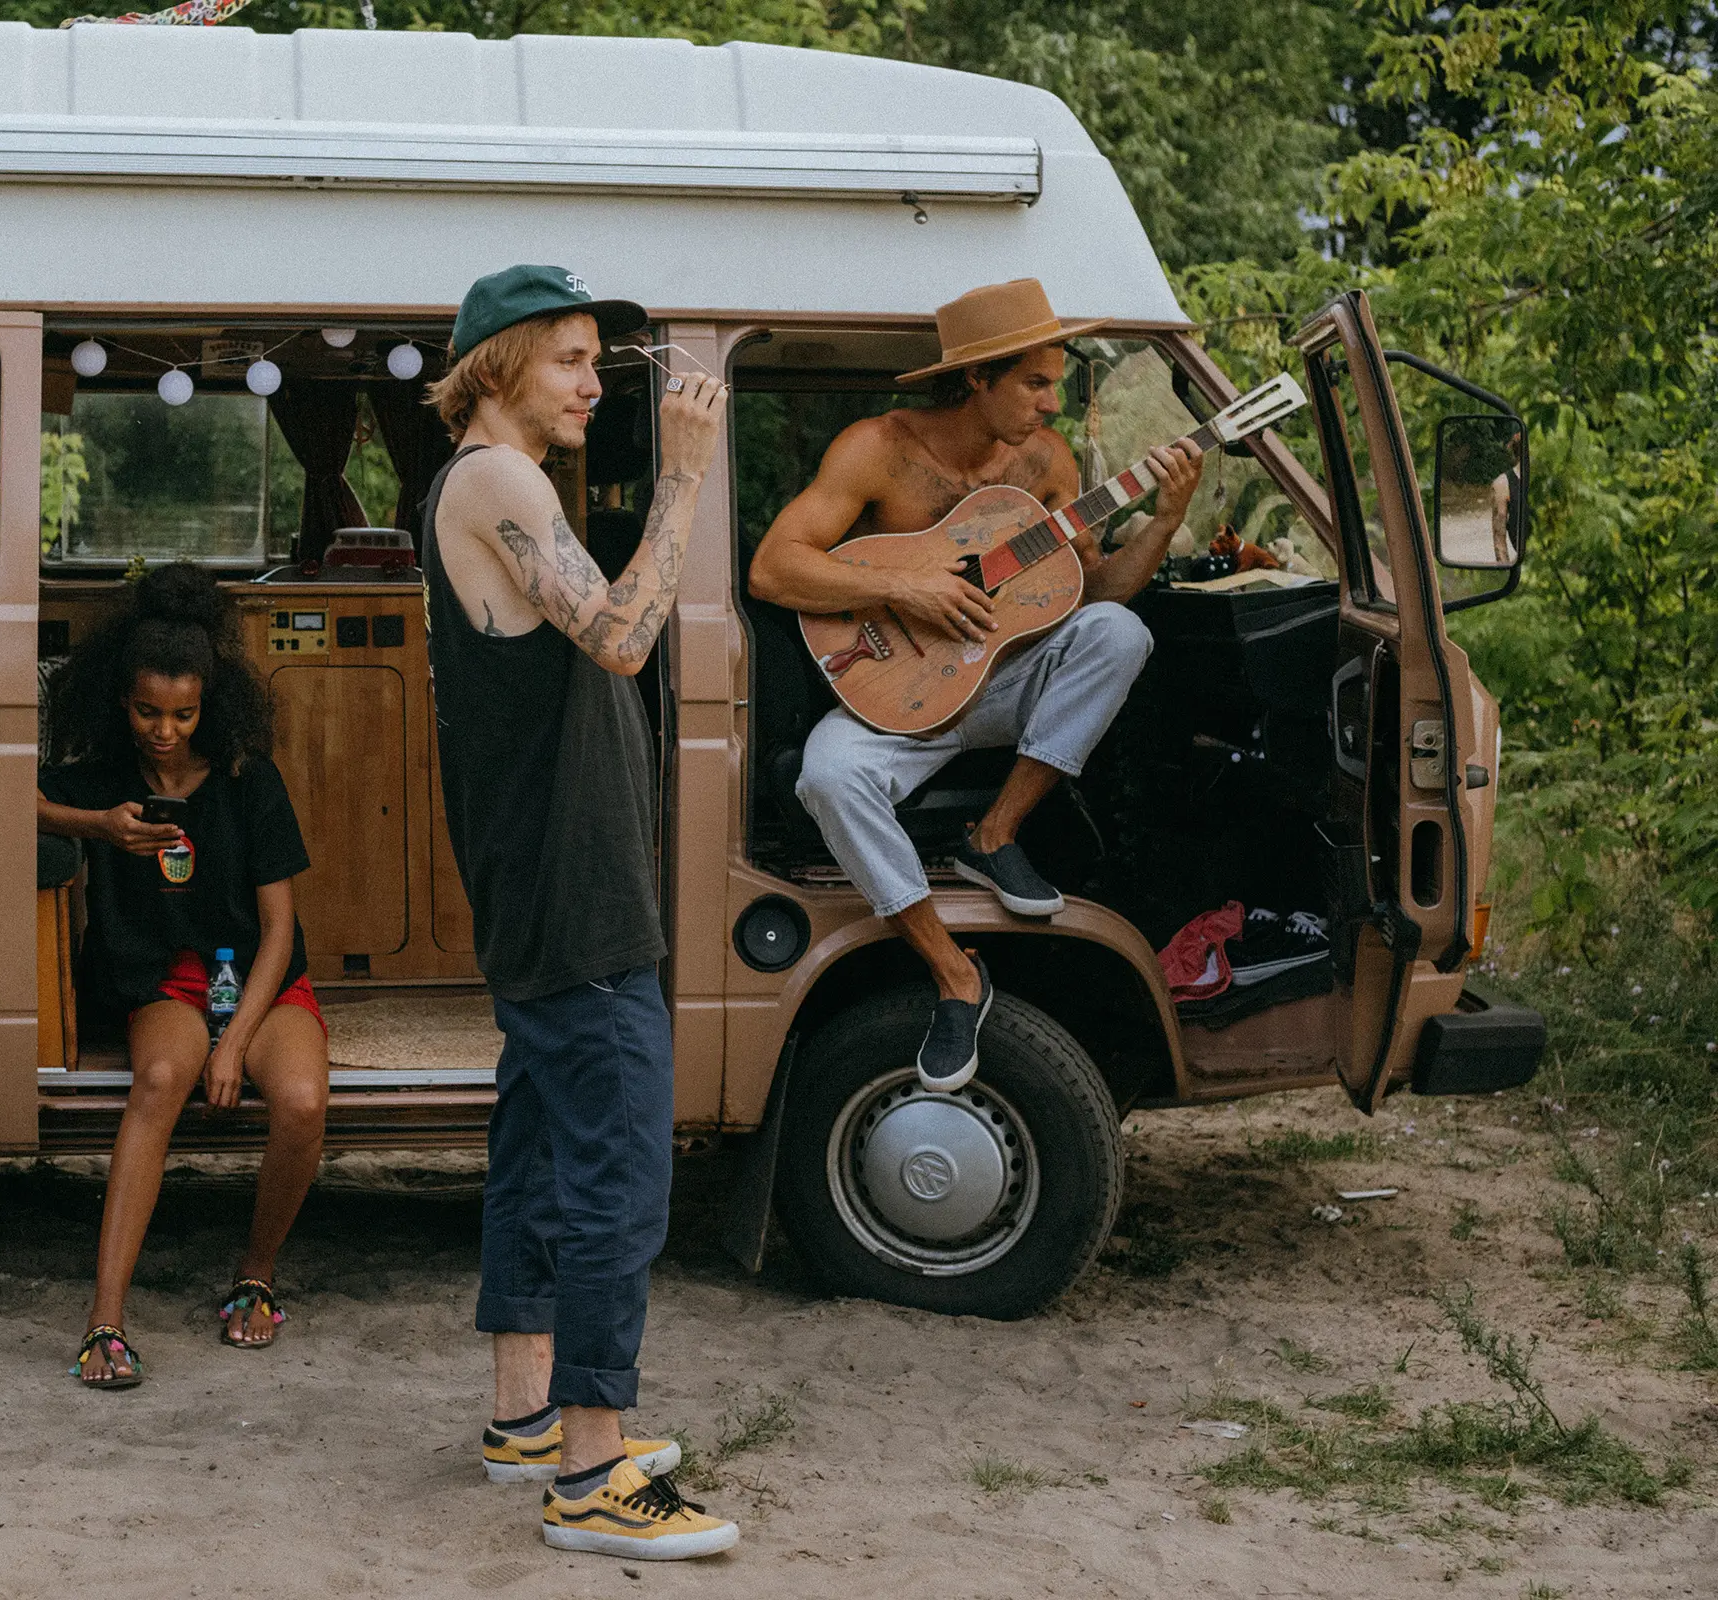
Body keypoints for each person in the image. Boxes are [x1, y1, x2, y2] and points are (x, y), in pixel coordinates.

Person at [421, 264, 738, 1561]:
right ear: (498, 366)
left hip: (547, 883)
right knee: (617, 1170)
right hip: (570, 889)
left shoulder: (499, 484)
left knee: (543, 1146)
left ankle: (527, 1417)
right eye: (569, 358)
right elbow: (618, 635)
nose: (595, 382)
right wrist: (683, 478)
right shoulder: (494, 479)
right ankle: (596, 1474)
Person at [746, 277, 1205, 1093]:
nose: (1053, 404)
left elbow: (1092, 596)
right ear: (977, 379)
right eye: (1035, 383)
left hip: (999, 685)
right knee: (828, 776)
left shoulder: (1047, 465)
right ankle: (954, 973)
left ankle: (995, 836)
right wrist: (903, 588)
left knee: (1119, 634)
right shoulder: (877, 449)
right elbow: (774, 568)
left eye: (1058, 382)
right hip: (896, 699)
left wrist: (1163, 522)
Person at [36, 562, 327, 1388]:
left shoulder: (248, 780)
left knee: (303, 1101)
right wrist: (97, 825)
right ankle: (106, 1321)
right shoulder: (110, 777)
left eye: (183, 714)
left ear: (212, 704)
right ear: (120, 700)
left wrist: (234, 1046)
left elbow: (279, 931)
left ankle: (256, 1274)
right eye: (147, 712)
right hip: (165, 979)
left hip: (261, 981)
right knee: (163, 1076)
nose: (165, 731)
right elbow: (11, 793)